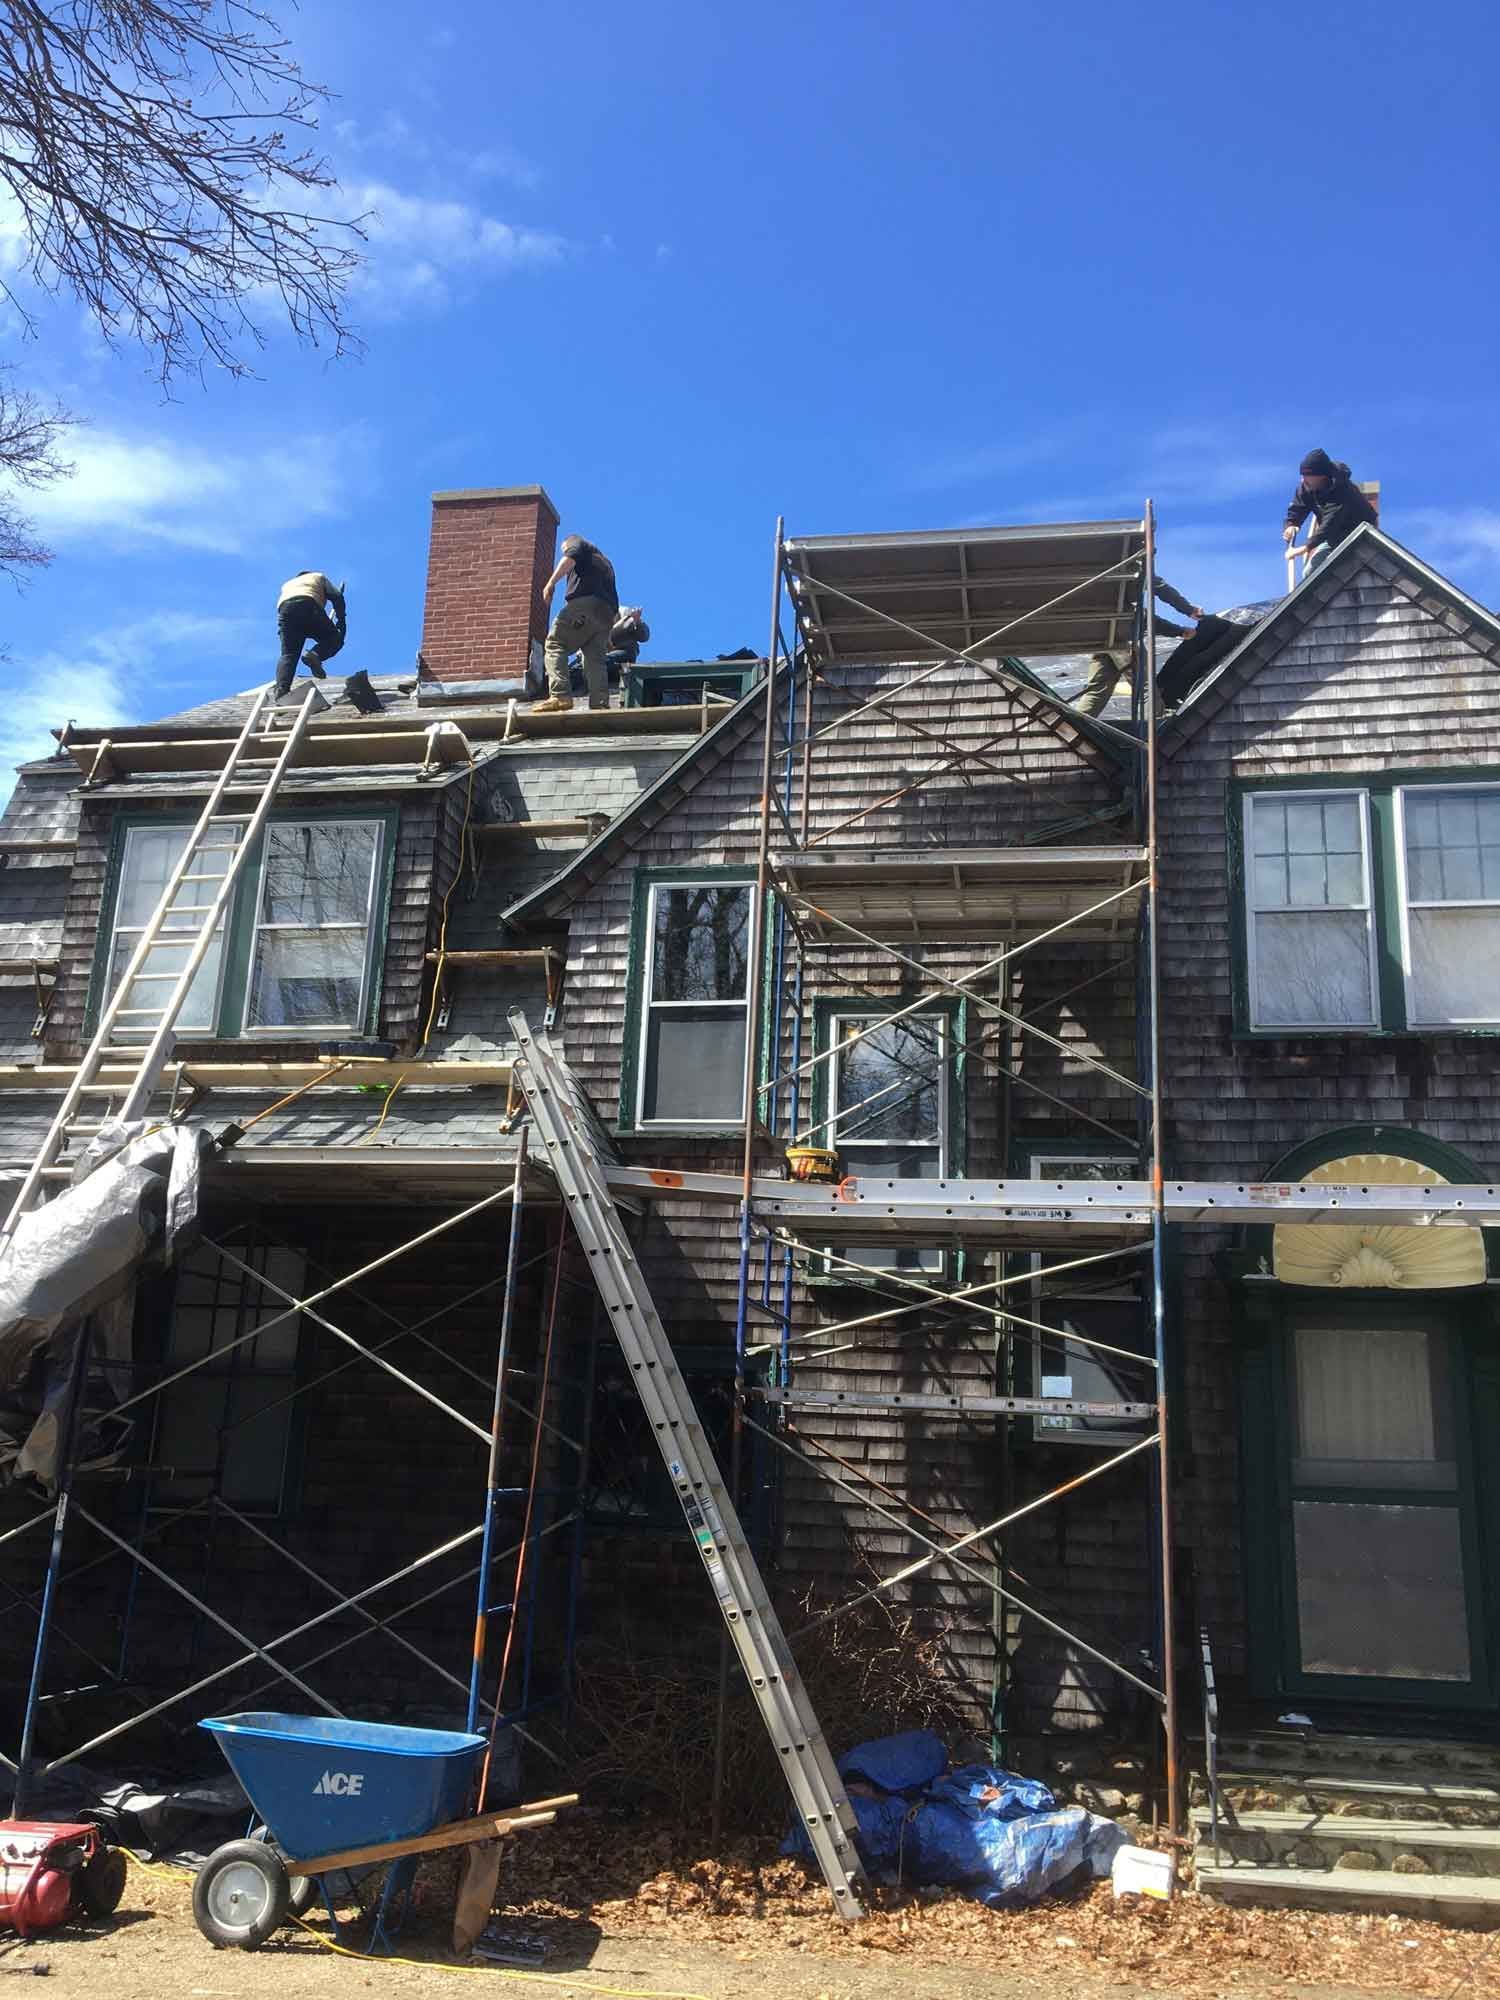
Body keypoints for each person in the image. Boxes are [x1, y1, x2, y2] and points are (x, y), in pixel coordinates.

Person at [1075, 577, 1205, 718]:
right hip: (1123, 636)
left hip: (1101, 637)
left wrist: (1178, 630)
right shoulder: (1133, 565)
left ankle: (1077, 724)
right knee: (1145, 687)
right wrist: (1188, 611)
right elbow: (1158, 590)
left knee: (1098, 688)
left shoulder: (1096, 575)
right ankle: (1155, 724)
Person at [535, 535, 619, 713]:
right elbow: (613, 597)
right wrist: (608, 634)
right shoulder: (605, 563)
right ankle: (600, 703)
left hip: (584, 604)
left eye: (563, 548)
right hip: (606, 614)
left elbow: (570, 557)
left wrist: (551, 583)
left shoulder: (576, 542)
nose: (564, 551)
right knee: (595, 659)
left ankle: (560, 695)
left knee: (555, 643)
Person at [1282, 449, 1378, 573]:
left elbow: (1329, 524)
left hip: (1360, 534)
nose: (1303, 480)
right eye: (1302, 476)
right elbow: (1298, 505)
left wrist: (1301, 549)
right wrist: (1292, 524)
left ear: (1321, 476)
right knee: (1311, 572)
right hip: (1334, 536)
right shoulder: (1308, 486)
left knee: (1351, 570)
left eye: (1307, 476)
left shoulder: (1342, 491)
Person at [275, 570, 345, 699]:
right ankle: (315, 655)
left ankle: (281, 691)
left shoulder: (288, 584)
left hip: (286, 613)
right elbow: (337, 597)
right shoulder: (318, 576)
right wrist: (341, 620)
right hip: (307, 605)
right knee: (334, 639)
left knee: (289, 654)